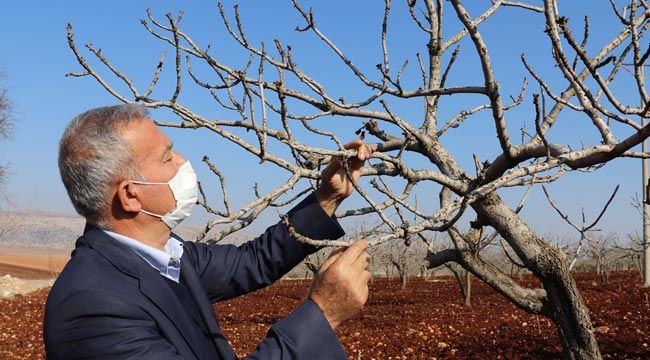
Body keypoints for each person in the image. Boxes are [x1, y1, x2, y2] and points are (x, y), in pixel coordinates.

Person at [44, 104, 375, 359]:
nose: (182, 161)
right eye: (166, 157)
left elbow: (254, 261)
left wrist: (328, 197)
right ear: (131, 194)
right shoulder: (92, 308)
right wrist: (322, 313)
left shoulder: (167, 255)